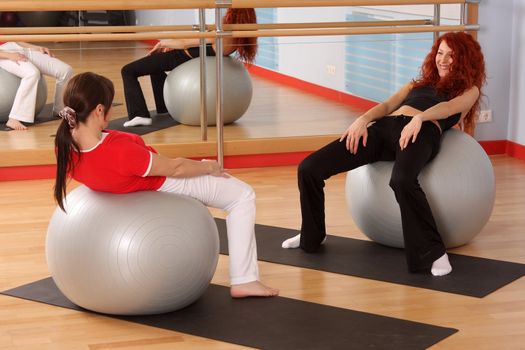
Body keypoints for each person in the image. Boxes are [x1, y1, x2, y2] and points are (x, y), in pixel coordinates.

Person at [54, 72, 278, 298]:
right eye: (111, 106)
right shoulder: (119, 152)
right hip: (164, 183)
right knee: (242, 195)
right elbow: (175, 168)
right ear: (99, 110)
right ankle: (245, 279)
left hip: (134, 182)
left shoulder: (64, 145)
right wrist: (209, 167)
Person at [281, 32, 486, 277]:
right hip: (385, 130)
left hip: (421, 133)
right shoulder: (417, 85)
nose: (444, 60)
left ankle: (433, 251)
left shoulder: (468, 90)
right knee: (309, 168)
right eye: (440, 53)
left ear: (464, 59)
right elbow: (388, 106)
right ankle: (311, 235)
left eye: (452, 55)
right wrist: (362, 119)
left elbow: (450, 108)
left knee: (402, 181)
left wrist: (420, 118)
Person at [120, 8, 257, 127]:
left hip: (179, 57)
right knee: (154, 65)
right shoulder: (236, 35)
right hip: (186, 57)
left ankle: (139, 115)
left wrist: (162, 43)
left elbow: (185, 43)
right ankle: (163, 108)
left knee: (128, 71)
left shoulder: (223, 32)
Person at [0, 41, 73, 130]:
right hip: (3, 54)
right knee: (32, 74)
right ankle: (14, 118)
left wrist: (37, 47)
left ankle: (60, 109)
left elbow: (14, 41)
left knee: (65, 70)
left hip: (17, 48)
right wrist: (9, 55)